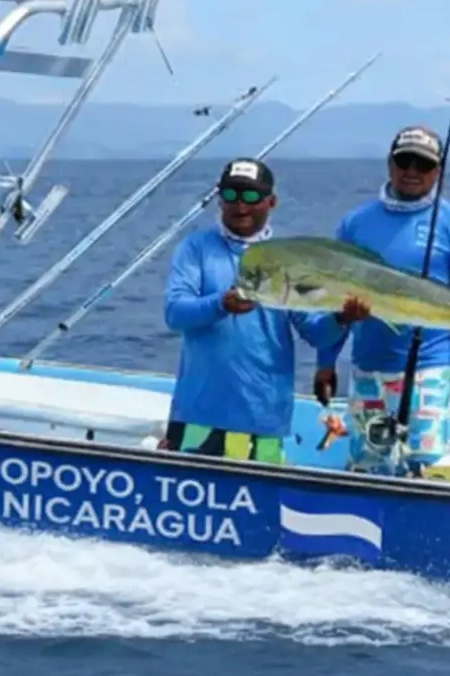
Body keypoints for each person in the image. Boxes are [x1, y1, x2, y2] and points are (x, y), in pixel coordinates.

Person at [160, 158, 329, 464]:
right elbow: (175, 313)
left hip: (263, 420)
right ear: (219, 199)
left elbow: (316, 332)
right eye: (231, 195)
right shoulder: (195, 247)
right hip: (199, 417)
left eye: (251, 196)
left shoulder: (287, 258)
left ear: (271, 201)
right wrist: (220, 304)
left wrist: (345, 317)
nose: (241, 206)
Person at [307, 125, 450, 478]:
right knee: (368, 471)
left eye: (423, 164)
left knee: (429, 473)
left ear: (438, 171)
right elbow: (333, 297)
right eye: (405, 161)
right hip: (368, 370)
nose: (412, 171)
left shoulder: (446, 221)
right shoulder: (355, 223)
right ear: (390, 163)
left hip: (431, 371)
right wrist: (326, 364)